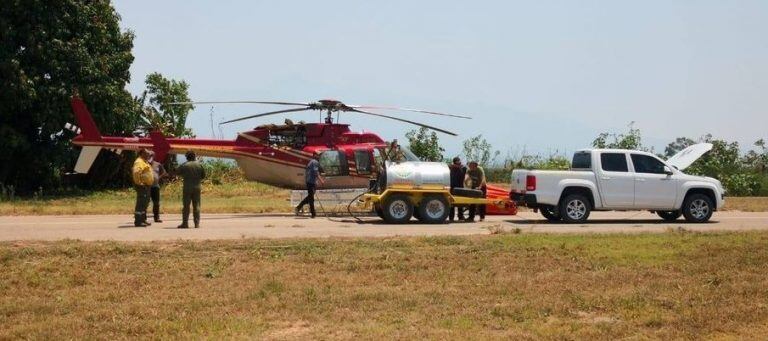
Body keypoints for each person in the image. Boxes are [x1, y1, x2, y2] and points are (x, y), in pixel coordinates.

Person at [176, 150, 206, 228]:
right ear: (194, 156)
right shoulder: (199, 165)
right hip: (197, 187)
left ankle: (185, 223)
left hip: (187, 187)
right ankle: (197, 223)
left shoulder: (184, 165)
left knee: (186, 205)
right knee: (197, 205)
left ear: (187, 157)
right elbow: (203, 176)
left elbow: (177, 172)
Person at [295, 153, 325, 218]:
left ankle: (299, 207)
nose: (319, 156)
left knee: (310, 197)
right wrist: (321, 180)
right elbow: (315, 172)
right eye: (318, 155)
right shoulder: (314, 162)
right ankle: (313, 213)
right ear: (315, 155)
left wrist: (316, 181)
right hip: (310, 182)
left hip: (311, 182)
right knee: (311, 198)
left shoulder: (312, 162)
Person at [131, 149, 154, 227]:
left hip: (147, 186)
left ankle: (143, 219)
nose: (149, 155)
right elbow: (136, 172)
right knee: (141, 203)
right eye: (147, 153)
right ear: (142, 154)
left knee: (145, 203)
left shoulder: (144, 161)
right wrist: (139, 183)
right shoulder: (139, 162)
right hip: (142, 186)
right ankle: (138, 221)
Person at [148, 151, 167, 223]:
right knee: (145, 202)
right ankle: (143, 217)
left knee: (156, 203)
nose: (150, 156)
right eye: (149, 155)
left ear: (154, 156)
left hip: (155, 186)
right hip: (147, 186)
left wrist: (158, 177)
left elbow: (164, 172)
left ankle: (156, 218)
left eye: (152, 155)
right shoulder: (144, 163)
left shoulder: (158, 164)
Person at [448, 157, 467, 222]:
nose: (458, 162)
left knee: (460, 203)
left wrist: (458, 167)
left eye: (459, 161)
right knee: (452, 203)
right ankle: (451, 217)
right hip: (452, 187)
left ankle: (460, 216)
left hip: (460, 187)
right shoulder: (451, 168)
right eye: (457, 161)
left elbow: (464, 169)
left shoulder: (463, 168)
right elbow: (448, 166)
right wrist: (453, 166)